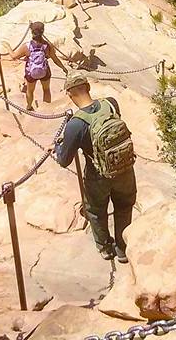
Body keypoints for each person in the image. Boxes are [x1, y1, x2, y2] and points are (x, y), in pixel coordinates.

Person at [55, 74, 137, 264]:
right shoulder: (111, 104)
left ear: (69, 94)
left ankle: (105, 248)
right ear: (88, 87)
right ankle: (123, 250)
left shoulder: (76, 124)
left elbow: (64, 160)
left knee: (95, 210)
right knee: (124, 206)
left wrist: (58, 147)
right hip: (124, 168)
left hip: (98, 175)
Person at [9, 20, 67, 110]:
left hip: (31, 71)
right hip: (44, 70)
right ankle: (47, 108)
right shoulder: (47, 45)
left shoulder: (26, 46)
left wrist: (7, 46)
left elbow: (14, 56)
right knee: (46, 89)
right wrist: (63, 68)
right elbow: (55, 59)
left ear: (32, 32)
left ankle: (29, 106)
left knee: (30, 90)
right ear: (43, 31)